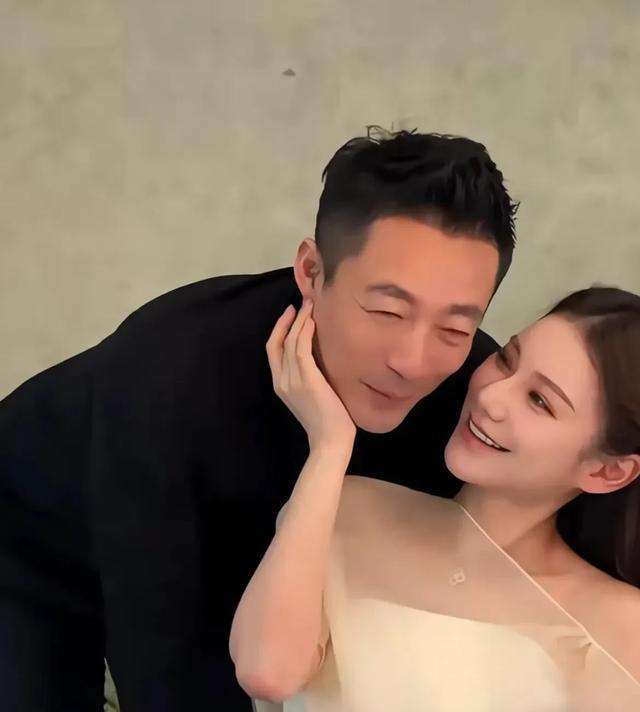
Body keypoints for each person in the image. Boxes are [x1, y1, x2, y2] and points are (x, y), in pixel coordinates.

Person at [0, 129, 517, 712]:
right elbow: (167, 671)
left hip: (222, 550)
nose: (412, 362)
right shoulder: (168, 376)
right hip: (31, 541)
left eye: (454, 327)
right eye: (387, 311)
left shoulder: (474, 387)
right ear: (311, 271)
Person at [231, 286, 640, 712]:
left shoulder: (622, 628)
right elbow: (267, 671)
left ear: (606, 471)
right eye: (506, 359)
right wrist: (330, 445)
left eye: (539, 401)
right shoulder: (348, 509)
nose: (491, 396)